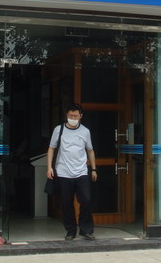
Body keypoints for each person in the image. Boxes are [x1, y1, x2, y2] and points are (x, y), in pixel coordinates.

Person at [46, 103, 97, 241]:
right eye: (70, 116)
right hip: (63, 172)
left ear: (81, 116)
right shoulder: (59, 129)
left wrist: (93, 169)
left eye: (75, 116)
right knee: (66, 203)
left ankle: (86, 230)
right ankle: (70, 230)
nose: (73, 118)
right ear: (66, 115)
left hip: (81, 172)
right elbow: (51, 148)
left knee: (86, 200)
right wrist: (49, 167)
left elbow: (90, 150)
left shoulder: (85, 131)